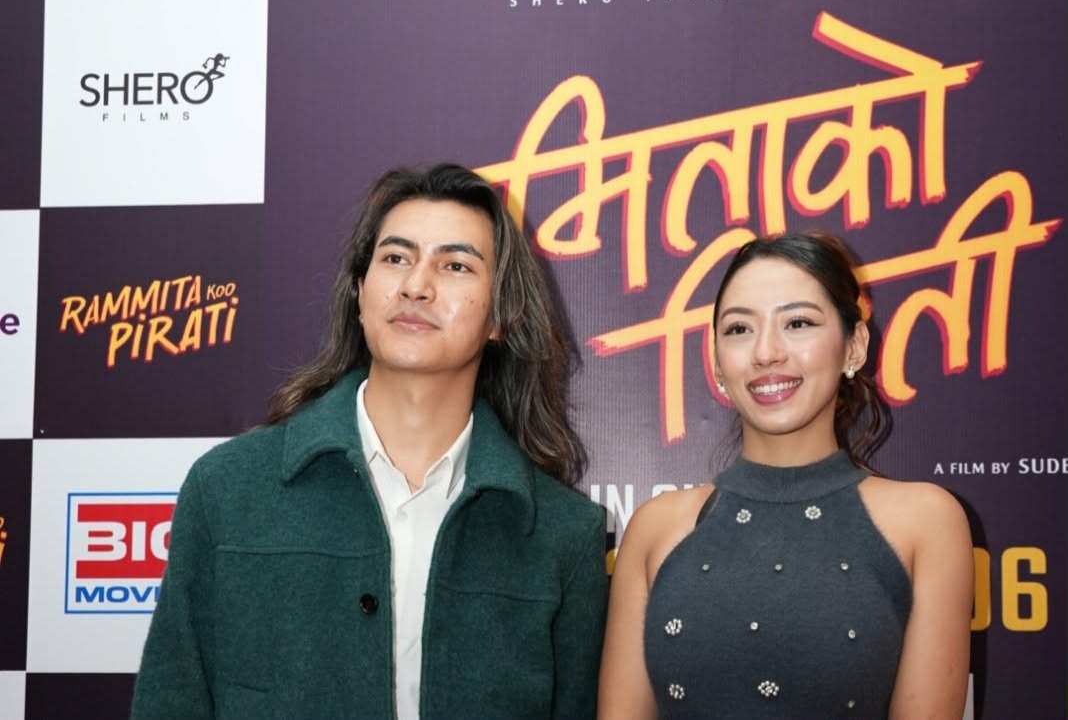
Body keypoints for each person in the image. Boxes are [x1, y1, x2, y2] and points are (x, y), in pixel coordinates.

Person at [131, 163, 608, 720]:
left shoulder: (563, 534)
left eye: (455, 265)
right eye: (396, 258)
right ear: (360, 293)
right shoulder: (227, 489)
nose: (416, 285)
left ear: (501, 315)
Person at [598, 232, 973, 720]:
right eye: (739, 329)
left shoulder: (927, 522)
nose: (766, 352)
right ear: (716, 360)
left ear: (855, 345)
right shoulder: (655, 530)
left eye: (798, 323)